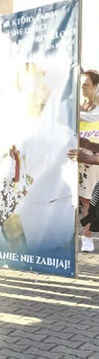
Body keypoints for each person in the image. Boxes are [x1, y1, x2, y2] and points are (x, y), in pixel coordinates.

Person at [78, 70, 99, 251]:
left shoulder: (98, 111)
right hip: (73, 157)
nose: (82, 88)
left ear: (95, 87)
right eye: (80, 84)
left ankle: (87, 237)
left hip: (91, 160)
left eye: (86, 84)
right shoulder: (72, 109)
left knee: (87, 199)